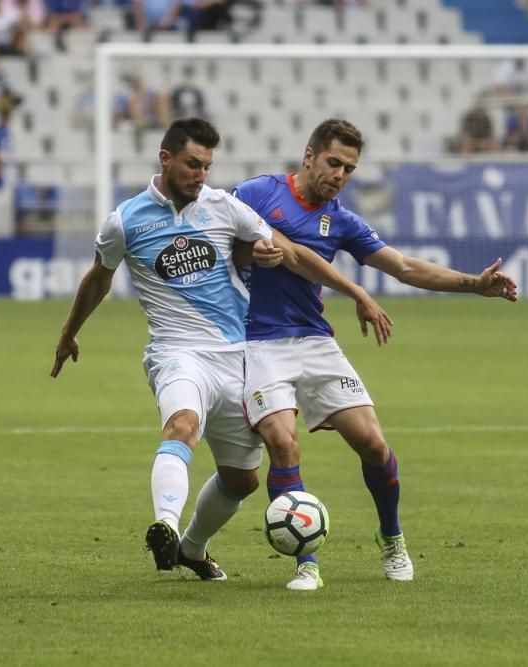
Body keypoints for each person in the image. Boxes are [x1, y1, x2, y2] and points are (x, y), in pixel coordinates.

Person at [50, 117, 391, 581]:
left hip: (237, 356)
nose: (201, 175)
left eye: (208, 166)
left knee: (243, 479)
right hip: (176, 353)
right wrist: (70, 332)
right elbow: (98, 279)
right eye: (193, 164)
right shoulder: (125, 221)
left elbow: (286, 252)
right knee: (182, 423)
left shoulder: (223, 207)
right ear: (166, 159)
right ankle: (164, 527)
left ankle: (191, 548)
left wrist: (289, 264)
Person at [233, 118, 518, 591]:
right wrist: (249, 254)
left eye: (349, 168)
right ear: (309, 156)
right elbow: (219, 237)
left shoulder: (341, 221)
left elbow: (404, 267)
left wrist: (474, 284)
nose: (340, 175)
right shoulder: (258, 193)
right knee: (283, 442)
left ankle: (393, 538)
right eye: (333, 163)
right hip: (259, 343)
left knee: (372, 443)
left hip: (315, 341)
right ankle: (307, 562)